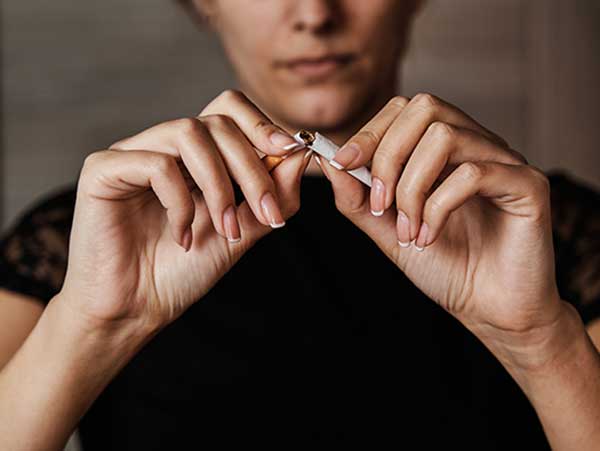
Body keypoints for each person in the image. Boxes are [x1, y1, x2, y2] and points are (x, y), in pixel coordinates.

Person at [1, 1, 600, 449]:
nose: (315, 13)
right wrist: (94, 326)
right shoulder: (84, 238)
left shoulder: (546, 232)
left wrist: (542, 342)